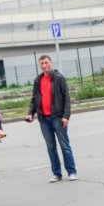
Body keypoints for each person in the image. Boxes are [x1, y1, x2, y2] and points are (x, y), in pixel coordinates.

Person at [25, 54, 76, 183]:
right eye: (41, 63)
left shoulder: (59, 78)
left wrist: (66, 116)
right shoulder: (38, 80)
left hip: (57, 118)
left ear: (51, 63)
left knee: (65, 146)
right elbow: (34, 99)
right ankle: (56, 174)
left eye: (46, 62)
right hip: (44, 119)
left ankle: (71, 172)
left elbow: (66, 99)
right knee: (51, 147)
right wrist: (31, 113)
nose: (44, 65)